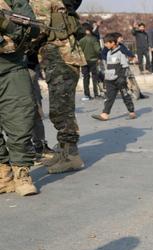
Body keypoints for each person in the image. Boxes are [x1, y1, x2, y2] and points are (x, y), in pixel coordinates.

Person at [32, 0, 87, 174]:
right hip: (60, 56)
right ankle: (63, 152)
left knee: (62, 110)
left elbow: (39, 28)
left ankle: (71, 156)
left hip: (60, 57)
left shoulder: (42, 1)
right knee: (60, 108)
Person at [0, 0, 41, 196]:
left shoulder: (14, 1)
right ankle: (3, 174)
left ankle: (21, 172)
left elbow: (32, 30)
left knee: (19, 121)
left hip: (11, 69)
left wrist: (4, 22)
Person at [92, 34, 137, 122]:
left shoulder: (121, 52)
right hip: (109, 79)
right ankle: (105, 114)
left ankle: (131, 112)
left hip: (119, 78)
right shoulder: (108, 53)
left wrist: (123, 78)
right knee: (109, 97)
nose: (105, 45)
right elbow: (107, 66)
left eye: (107, 43)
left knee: (125, 94)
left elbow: (125, 66)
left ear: (113, 43)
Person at [79, 25, 101, 101]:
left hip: (84, 61)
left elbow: (79, 51)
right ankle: (96, 94)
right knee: (95, 77)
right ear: (91, 31)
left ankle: (87, 95)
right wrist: (100, 57)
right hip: (93, 60)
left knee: (85, 77)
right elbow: (97, 50)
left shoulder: (81, 40)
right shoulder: (94, 39)